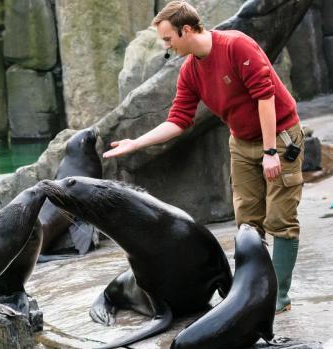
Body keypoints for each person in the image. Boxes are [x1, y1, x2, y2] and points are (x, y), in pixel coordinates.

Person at [102, 1, 303, 314]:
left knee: (281, 218)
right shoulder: (191, 70)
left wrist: (270, 152)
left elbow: (265, 98)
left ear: (185, 30)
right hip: (240, 139)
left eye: (168, 39)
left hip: (278, 135)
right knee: (248, 223)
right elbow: (178, 120)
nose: (167, 47)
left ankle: (278, 297)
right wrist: (136, 143)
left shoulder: (236, 46)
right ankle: (252, 290)